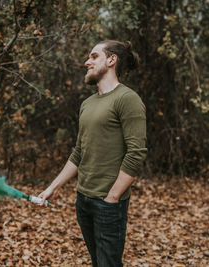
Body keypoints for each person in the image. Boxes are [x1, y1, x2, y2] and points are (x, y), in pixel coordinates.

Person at [38, 40, 147, 267]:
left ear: (111, 60)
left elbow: (136, 154)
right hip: (83, 200)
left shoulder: (127, 99)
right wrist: (52, 187)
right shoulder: (87, 104)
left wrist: (112, 198)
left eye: (93, 56)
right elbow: (79, 152)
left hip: (108, 203)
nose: (87, 62)